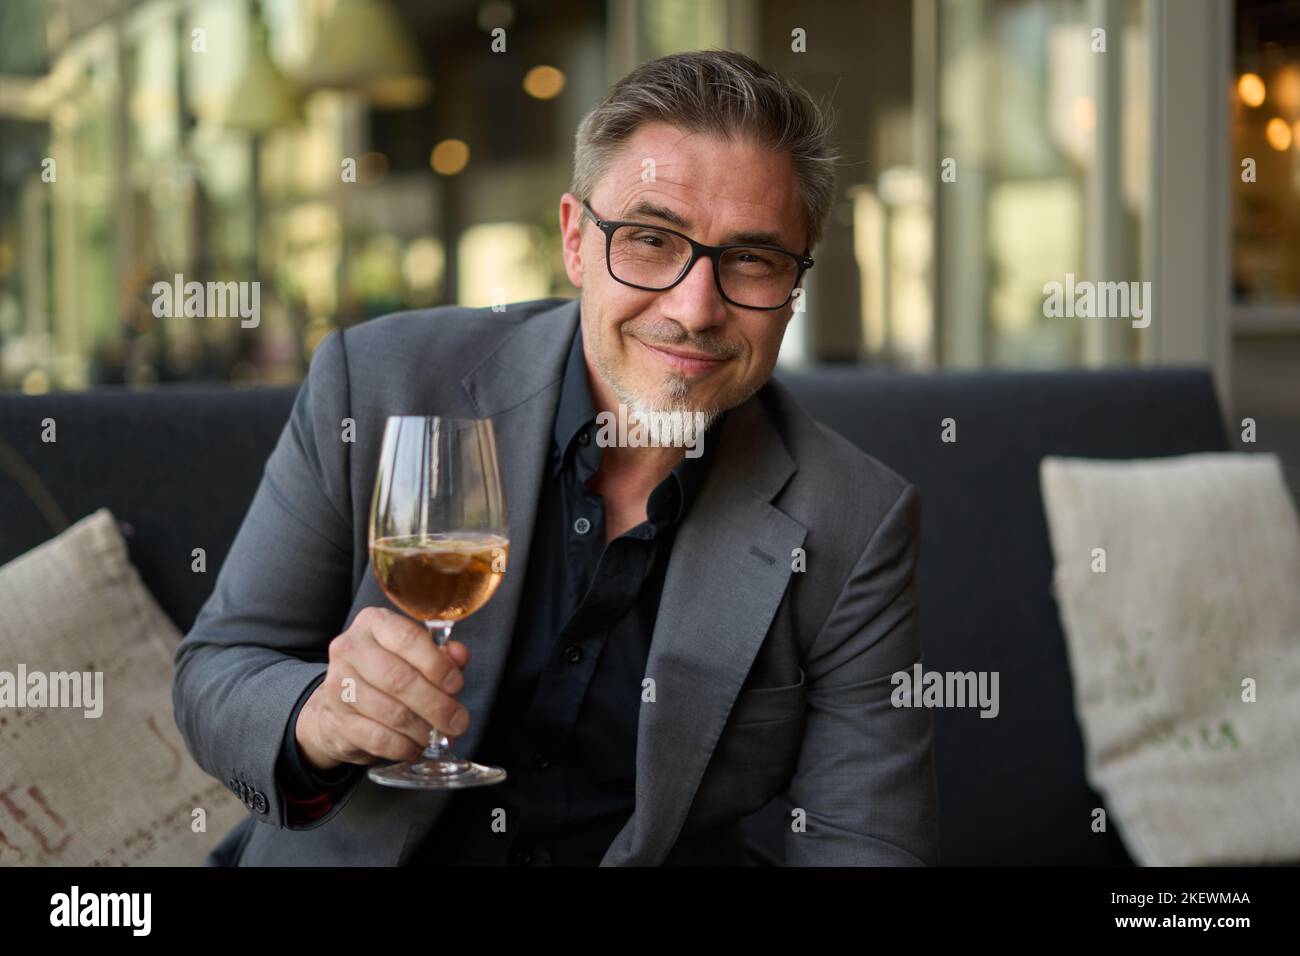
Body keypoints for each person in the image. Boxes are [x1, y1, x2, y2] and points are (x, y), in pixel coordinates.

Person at [173, 49, 939, 866]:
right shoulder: (380, 385)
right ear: (576, 240)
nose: (694, 308)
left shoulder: (852, 519)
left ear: (793, 287)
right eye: (650, 239)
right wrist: (318, 718)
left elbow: (865, 844)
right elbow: (216, 673)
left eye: (752, 259)